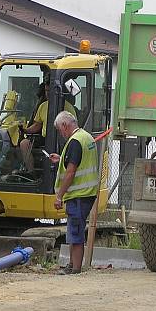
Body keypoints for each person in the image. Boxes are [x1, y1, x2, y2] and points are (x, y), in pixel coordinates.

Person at [49, 110, 99, 275]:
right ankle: (72, 265)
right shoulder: (86, 137)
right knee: (73, 230)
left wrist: (59, 196)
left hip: (78, 194)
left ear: (64, 125)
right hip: (87, 193)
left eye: (59, 129)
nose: (60, 133)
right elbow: (78, 160)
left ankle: (75, 268)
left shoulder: (75, 141)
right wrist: (61, 158)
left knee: (75, 232)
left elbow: (70, 172)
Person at [18, 82, 76, 172]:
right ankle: (31, 172)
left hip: (62, 137)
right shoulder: (43, 106)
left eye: (50, 90)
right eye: (46, 90)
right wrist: (25, 130)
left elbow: (73, 126)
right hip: (44, 137)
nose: (47, 93)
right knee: (24, 143)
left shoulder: (68, 107)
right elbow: (37, 125)